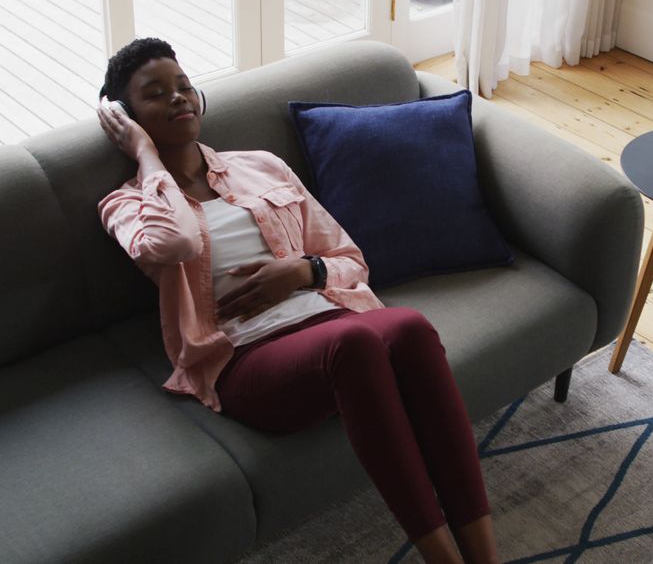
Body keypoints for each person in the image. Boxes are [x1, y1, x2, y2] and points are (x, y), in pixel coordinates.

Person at [95, 38, 499, 564]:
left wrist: (302, 271)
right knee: (355, 342)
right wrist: (148, 158)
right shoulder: (126, 203)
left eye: (183, 85)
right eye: (155, 94)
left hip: (327, 319)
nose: (178, 98)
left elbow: (351, 260)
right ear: (126, 118)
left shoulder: (261, 167)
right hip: (244, 360)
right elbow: (177, 244)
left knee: (410, 328)